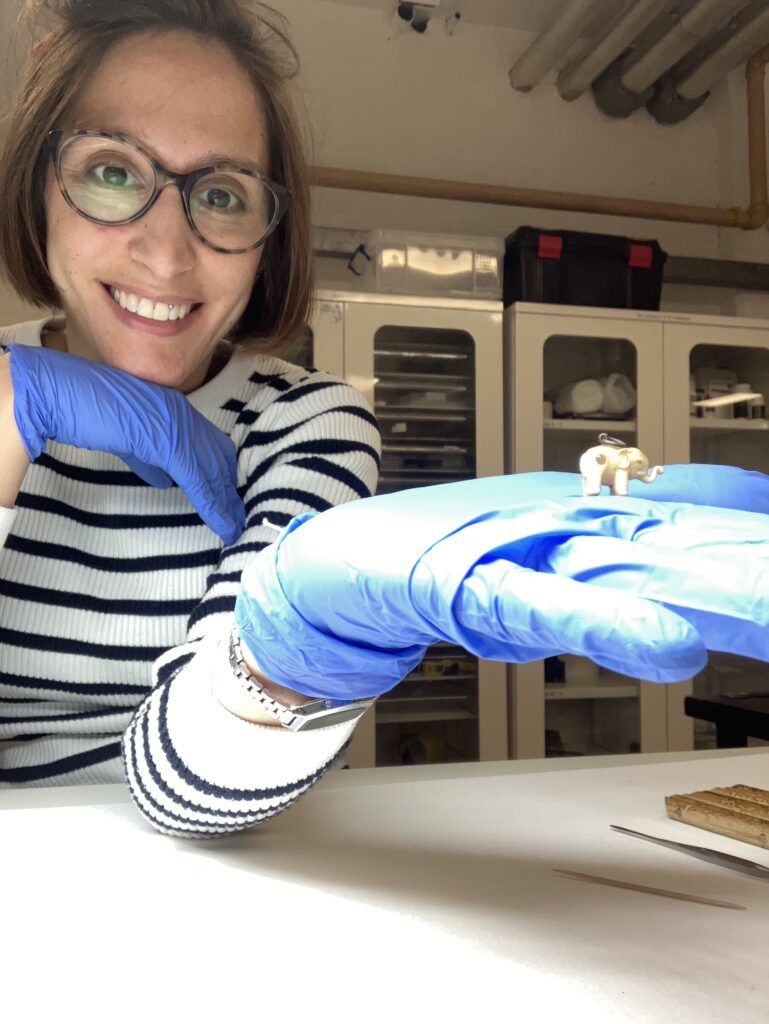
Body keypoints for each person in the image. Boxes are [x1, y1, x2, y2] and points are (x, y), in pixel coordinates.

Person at [2, 0, 768, 840]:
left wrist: (284, 654)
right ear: (38, 180)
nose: (168, 251)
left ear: (269, 232)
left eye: (220, 194)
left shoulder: (303, 424)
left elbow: (187, 793)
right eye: (112, 171)